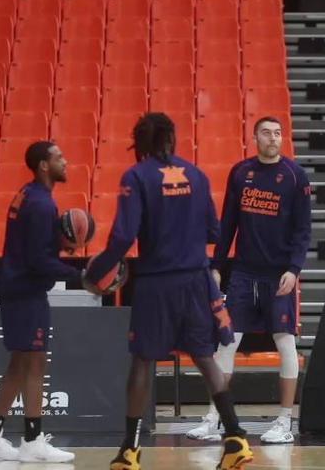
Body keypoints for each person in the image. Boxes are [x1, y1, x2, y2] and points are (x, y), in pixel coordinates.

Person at [84, 113, 252, 470]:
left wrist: (95, 272)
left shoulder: (136, 177)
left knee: (143, 361)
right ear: (172, 139)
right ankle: (236, 437)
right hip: (195, 280)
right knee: (205, 357)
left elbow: (123, 238)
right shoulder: (197, 175)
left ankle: (130, 449)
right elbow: (214, 232)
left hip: (157, 283)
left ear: (140, 143)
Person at [187, 116, 312, 445]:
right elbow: (228, 222)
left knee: (286, 343)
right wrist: (217, 265)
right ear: (254, 137)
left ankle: (285, 421)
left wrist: (294, 269)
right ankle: (215, 418)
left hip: (279, 274)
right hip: (243, 272)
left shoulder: (295, 176)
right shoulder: (241, 173)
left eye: (278, 133)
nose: (273, 138)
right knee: (227, 343)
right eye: (267, 133)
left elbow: (303, 231)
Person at [0, 141, 78, 463]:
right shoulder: (42, 204)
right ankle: (32, 442)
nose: (66, 161)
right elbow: (38, 261)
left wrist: (60, 244)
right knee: (35, 363)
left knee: (19, 365)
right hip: (25, 291)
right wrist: (80, 276)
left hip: (17, 288)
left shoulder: (28, 194)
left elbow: (34, 248)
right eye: (59, 157)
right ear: (44, 165)